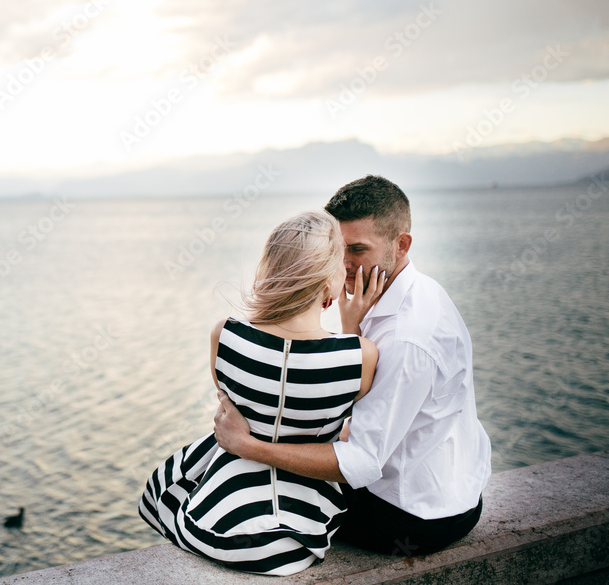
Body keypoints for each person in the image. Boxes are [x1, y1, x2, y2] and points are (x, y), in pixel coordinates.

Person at [213, 175, 491, 556]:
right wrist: (351, 328)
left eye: (357, 250)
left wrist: (247, 444)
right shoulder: (408, 292)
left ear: (402, 243)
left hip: (412, 516)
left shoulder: (408, 337)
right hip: (445, 490)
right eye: (337, 250)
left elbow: (360, 462)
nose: (342, 265)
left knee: (260, 485)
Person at [138, 210, 379, 576]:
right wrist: (352, 325)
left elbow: (236, 407)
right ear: (326, 282)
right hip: (296, 540)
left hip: (217, 530)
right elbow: (347, 432)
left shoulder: (225, 335)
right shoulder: (361, 356)